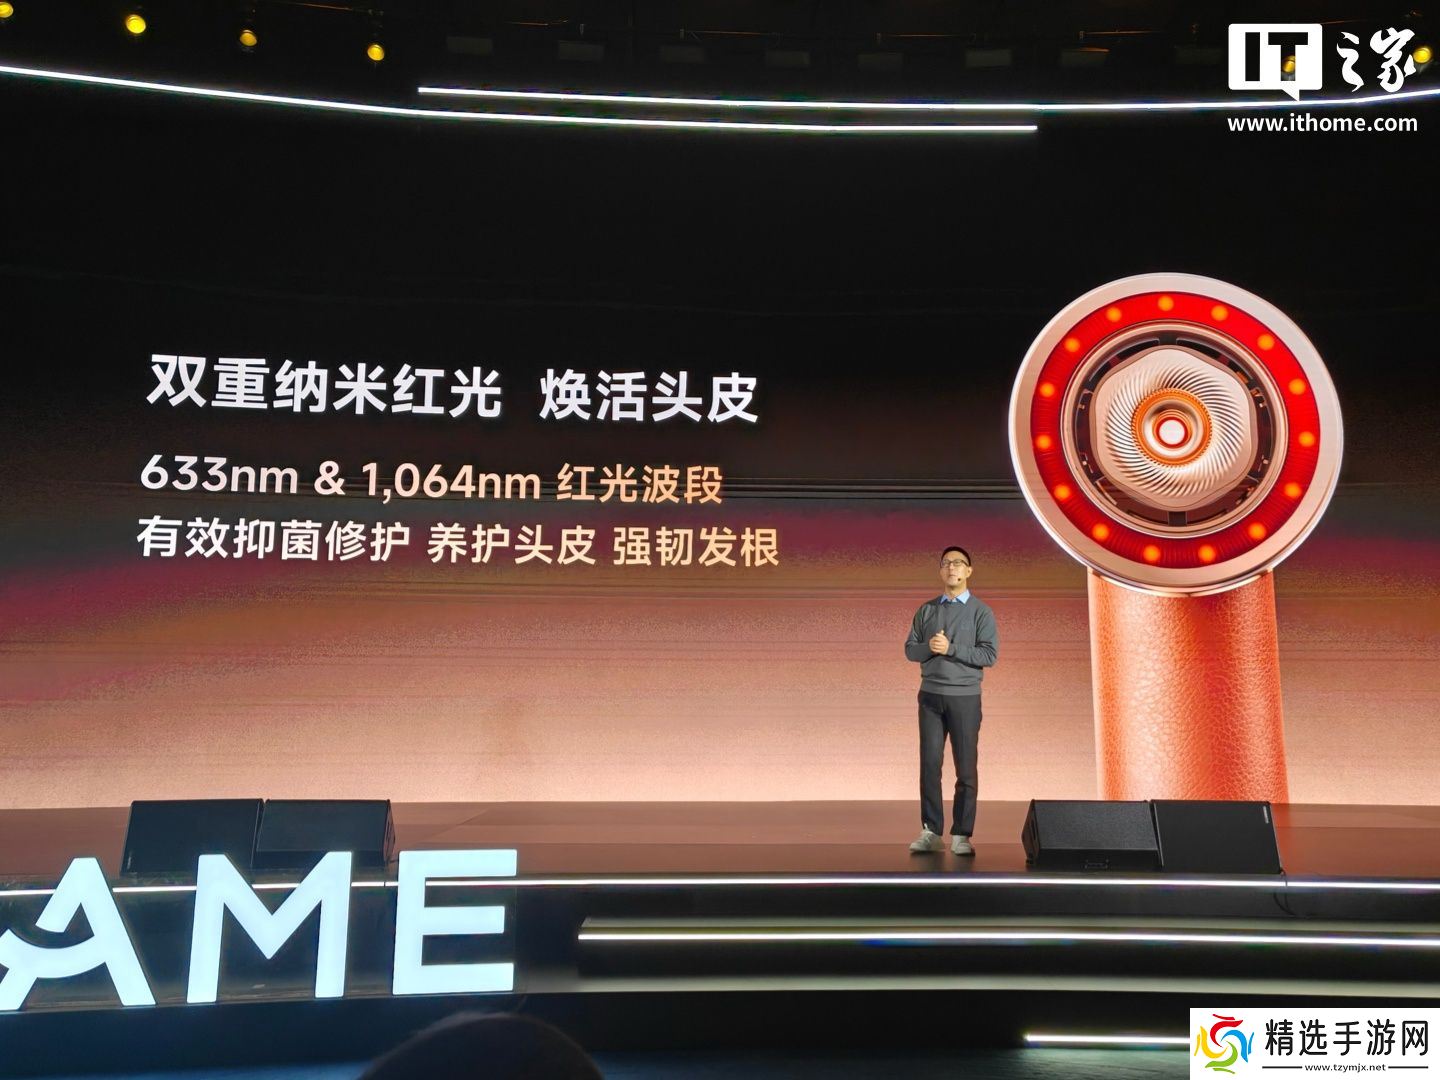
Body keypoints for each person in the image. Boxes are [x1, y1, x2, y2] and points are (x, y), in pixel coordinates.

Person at [903, 545, 998, 856]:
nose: (952, 568)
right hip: (930, 697)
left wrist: (951, 649)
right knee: (930, 765)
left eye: (958, 563)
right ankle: (931, 830)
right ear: (940, 571)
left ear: (968, 571)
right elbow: (910, 650)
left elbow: (989, 655)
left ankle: (961, 833)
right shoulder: (927, 610)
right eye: (946, 563)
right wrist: (930, 647)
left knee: (965, 768)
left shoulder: (981, 612)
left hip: (965, 698)